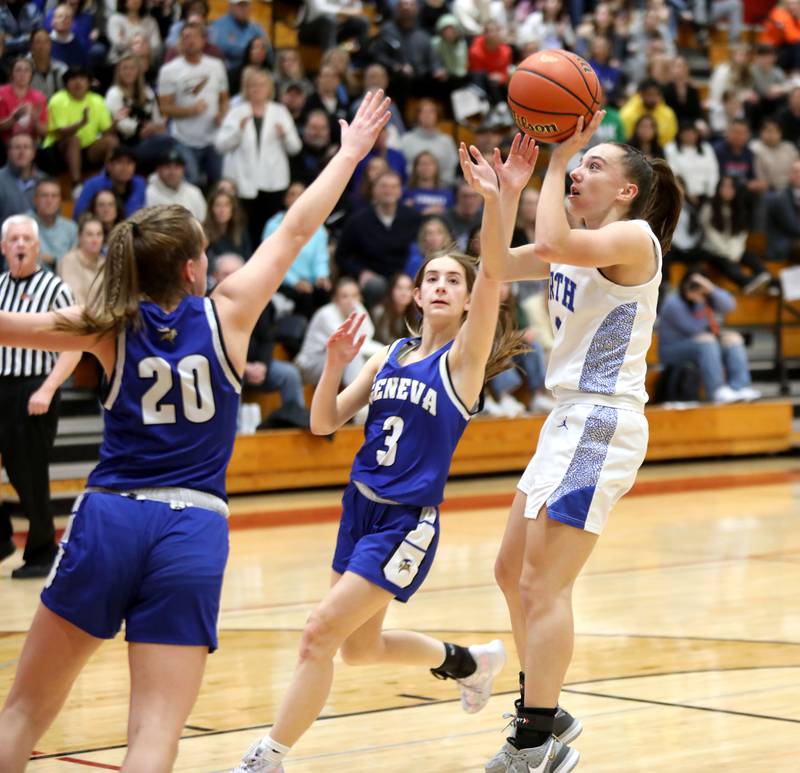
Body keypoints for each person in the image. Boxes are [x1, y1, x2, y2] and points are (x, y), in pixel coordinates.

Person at [0, 88, 391, 772]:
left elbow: (7, 325)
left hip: (111, 516)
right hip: (193, 527)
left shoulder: (106, 321)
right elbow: (297, 229)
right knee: (154, 732)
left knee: (25, 711)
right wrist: (350, 152)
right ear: (191, 267)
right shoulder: (230, 312)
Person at [233, 199, 529, 773]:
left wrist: (501, 198)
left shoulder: (463, 363)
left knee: (318, 634)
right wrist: (335, 362)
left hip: (403, 521)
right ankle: (467, 663)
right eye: (432, 279)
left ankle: (265, 758)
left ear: (470, 300)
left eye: (454, 281)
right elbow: (323, 423)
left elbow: (493, 269)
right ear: (415, 295)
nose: (442, 287)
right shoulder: (388, 356)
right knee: (357, 647)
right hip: (357, 511)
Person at [460, 117, 682, 771]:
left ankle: (534, 741)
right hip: (568, 419)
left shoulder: (633, 238)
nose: (580, 171)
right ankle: (547, 710)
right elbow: (496, 264)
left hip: (602, 422)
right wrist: (500, 197)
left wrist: (552, 164)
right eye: (577, 164)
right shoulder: (581, 242)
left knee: (542, 583)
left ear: (625, 191)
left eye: (593, 165)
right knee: (510, 571)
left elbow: (550, 237)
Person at [0, 214, 76, 579]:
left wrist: (48, 388)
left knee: (27, 473)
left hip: (35, 387)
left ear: (37, 247)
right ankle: (2, 538)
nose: (19, 245)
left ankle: (43, 550)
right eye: (12, 239)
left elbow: (75, 345)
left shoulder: (55, 288)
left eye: (25, 239)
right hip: (1, 385)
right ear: (3, 247)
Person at [216, 68, 302, 247]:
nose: (257, 89)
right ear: (246, 88)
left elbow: (295, 148)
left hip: (273, 183)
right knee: (246, 229)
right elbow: (220, 145)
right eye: (253, 85)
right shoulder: (236, 112)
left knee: (271, 230)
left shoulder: (280, 112)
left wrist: (284, 134)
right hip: (244, 183)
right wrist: (237, 132)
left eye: (262, 85)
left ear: (269, 88)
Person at [659, 271, 760, 403]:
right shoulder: (673, 303)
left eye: (701, 287)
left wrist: (712, 289)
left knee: (734, 340)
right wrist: (700, 302)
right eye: (693, 286)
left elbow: (730, 305)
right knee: (708, 342)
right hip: (673, 349)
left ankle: (739, 387)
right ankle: (716, 391)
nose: (698, 290)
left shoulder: (708, 296)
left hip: (704, 345)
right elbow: (693, 329)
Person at [335, 170, 422, 308]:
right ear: (374, 190)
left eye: (394, 186)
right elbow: (342, 255)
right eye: (383, 186)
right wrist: (361, 272)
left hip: (405, 273)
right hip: (374, 275)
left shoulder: (413, 217)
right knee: (376, 286)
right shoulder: (357, 220)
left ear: (400, 191)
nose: (389, 191)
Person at [157, 20, 229, 187]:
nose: (190, 40)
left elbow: (224, 99)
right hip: (184, 138)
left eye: (195, 36)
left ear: (204, 40)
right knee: (192, 183)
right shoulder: (168, 70)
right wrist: (190, 111)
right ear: (181, 41)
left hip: (213, 137)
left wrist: (222, 114)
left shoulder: (216, 66)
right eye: (186, 37)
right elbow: (164, 107)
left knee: (218, 183)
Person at [41, 66, 117, 199]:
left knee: (112, 141)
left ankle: (105, 180)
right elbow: (60, 133)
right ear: (66, 83)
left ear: (89, 83)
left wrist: (115, 123)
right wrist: (81, 124)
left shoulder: (97, 100)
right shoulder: (58, 99)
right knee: (74, 140)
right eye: (73, 79)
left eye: (82, 79)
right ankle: (76, 185)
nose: (78, 82)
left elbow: (106, 131)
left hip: (87, 149)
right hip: (59, 150)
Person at [294, 276, 382, 387]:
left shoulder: (356, 309)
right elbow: (350, 343)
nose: (351, 300)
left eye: (355, 295)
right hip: (310, 365)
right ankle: (357, 400)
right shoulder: (326, 314)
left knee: (371, 359)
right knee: (352, 355)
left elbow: (368, 334)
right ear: (335, 299)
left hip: (331, 361)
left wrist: (359, 307)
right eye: (345, 296)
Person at [264, 181, 331, 319]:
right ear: (286, 200)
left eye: (301, 194)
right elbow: (271, 260)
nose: (297, 198)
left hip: (310, 281)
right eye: (292, 194)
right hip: (281, 280)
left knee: (325, 290)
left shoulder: (319, 229)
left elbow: (320, 257)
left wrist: (321, 276)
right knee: (304, 297)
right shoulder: (273, 226)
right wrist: (294, 282)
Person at [699, 176, 773, 294]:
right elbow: (711, 235)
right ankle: (747, 283)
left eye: (731, 187)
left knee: (751, 256)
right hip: (714, 250)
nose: (727, 190)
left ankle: (768, 279)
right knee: (725, 264)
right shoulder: (709, 207)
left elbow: (741, 234)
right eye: (724, 186)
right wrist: (728, 253)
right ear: (718, 188)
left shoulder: (739, 207)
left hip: (734, 249)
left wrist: (735, 252)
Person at [73, 145, 147, 220]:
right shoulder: (93, 185)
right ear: (109, 166)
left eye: (129, 162)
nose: (125, 167)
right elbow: (79, 214)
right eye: (119, 162)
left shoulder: (139, 184)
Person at [400, 98, 459, 187]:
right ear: (417, 115)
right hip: (411, 187)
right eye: (423, 112)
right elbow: (403, 166)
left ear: (437, 115)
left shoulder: (447, 141)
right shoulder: (406, 139)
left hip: (442, 188)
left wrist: (439, 185)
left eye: (431, 112)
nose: (427, 115)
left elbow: (451, 167)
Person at [145, 148, 207, 221]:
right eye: (167, 167)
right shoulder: (148, 194)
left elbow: (203, 222)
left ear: (183, 170)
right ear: (158, 170)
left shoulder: (194, 192)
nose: (172, 172)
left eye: (177, 167)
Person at [29, 177, 78, 268]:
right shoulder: (23, 225)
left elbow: (76, 264)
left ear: (60, 200)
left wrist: (54, 261)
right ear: (35, 199)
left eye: (54, 196)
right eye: (44, 195)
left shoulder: (71, 228)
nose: (49, 201)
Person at [208, 0, 269, 72]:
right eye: (239, 5)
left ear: (250, 7)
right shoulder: (218, 27)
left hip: (252, 73)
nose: (242, 8)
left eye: (245, 5)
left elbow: (268, 53)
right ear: (230, 6)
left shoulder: (256, 28)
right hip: (226, 73)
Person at [57, 214, 105, 304]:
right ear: (79, 237)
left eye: (99, 234)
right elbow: (74, 302)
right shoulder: (69, 261)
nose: (95, 240)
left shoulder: (105, 263)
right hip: (77, 316)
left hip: (103, 316)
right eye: (89, 235)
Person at [0, 57, 48, 146]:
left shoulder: (39, 97)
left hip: (30, 144)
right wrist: (14, 118)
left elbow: (44, 132)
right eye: (18, 70)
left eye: (27, 70)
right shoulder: (1, 93)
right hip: (5, 142)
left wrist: (36, 121)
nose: (22, 74)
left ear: (31, 75)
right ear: (11, 74)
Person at [0, 132, 45, 224]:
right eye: (17, 147)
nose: (21, 152)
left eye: (26, 147)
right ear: (8, 152)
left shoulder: (44, 181)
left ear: (33, 153)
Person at [203, 188, 252, 263]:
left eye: (226, 205)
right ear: (211, 209)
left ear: (233, 209)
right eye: (218, 205)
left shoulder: (241, 231)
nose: (222, 210)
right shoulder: (203, 232)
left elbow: (248, 260)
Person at [765, 159, 800, 262]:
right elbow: (793, 227)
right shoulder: (780, 198)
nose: (799, 175)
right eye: (796, 171)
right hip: (782, 246)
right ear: (790, 175)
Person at [106, 0, 162, 65]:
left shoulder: (150, 21)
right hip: (119, 60)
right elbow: (119, 43)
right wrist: (138, 43)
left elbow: (156, 45)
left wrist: (139, 46)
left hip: (146, 61)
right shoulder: (115, 19)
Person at [371, 271, 415, 344]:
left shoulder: (413, 313)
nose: (404, 293)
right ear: (391, 290)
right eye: (399, 288)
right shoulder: (380, 312)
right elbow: (386, 342)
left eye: (408, 288)